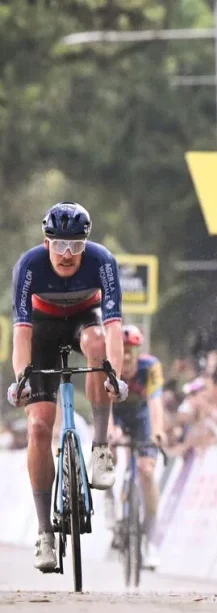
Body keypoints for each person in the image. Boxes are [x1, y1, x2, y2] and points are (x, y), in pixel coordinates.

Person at [7, 202, 129, 571]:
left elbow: (113, 329)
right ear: (46, 243)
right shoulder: (29, 266)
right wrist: (21, 380)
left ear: (85, 244)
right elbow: (22, 333)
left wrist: (115, 376)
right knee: (40, 426)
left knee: (96, 347)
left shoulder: (102, 261)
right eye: (58, 245)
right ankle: (45, 532)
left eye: (75, 247)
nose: (66, 255)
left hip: (84, 322)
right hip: (42, 329)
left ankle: (101, 448)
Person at [105, 324, 164, 569]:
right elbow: (104, 407)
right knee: (108, 455)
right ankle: (109, 504)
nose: (127, 355)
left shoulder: (150, 367)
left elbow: (155, 402)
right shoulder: (108, 368)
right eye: (123, 349)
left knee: (147, 472)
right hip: (115, 414)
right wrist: (109, 432)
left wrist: (159, 432)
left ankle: (150, 541)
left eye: (132, 350)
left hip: (141, 417)